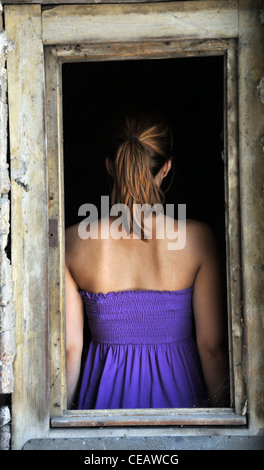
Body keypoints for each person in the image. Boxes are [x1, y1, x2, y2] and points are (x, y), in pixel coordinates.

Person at [65, 109, 229, 410]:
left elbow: (70, 350)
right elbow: (212, 349)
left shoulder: (72, 242)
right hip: (181, 403)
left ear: (110, 166)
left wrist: (62, 423)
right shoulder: (198, 239)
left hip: (103, 406)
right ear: (166, 168)